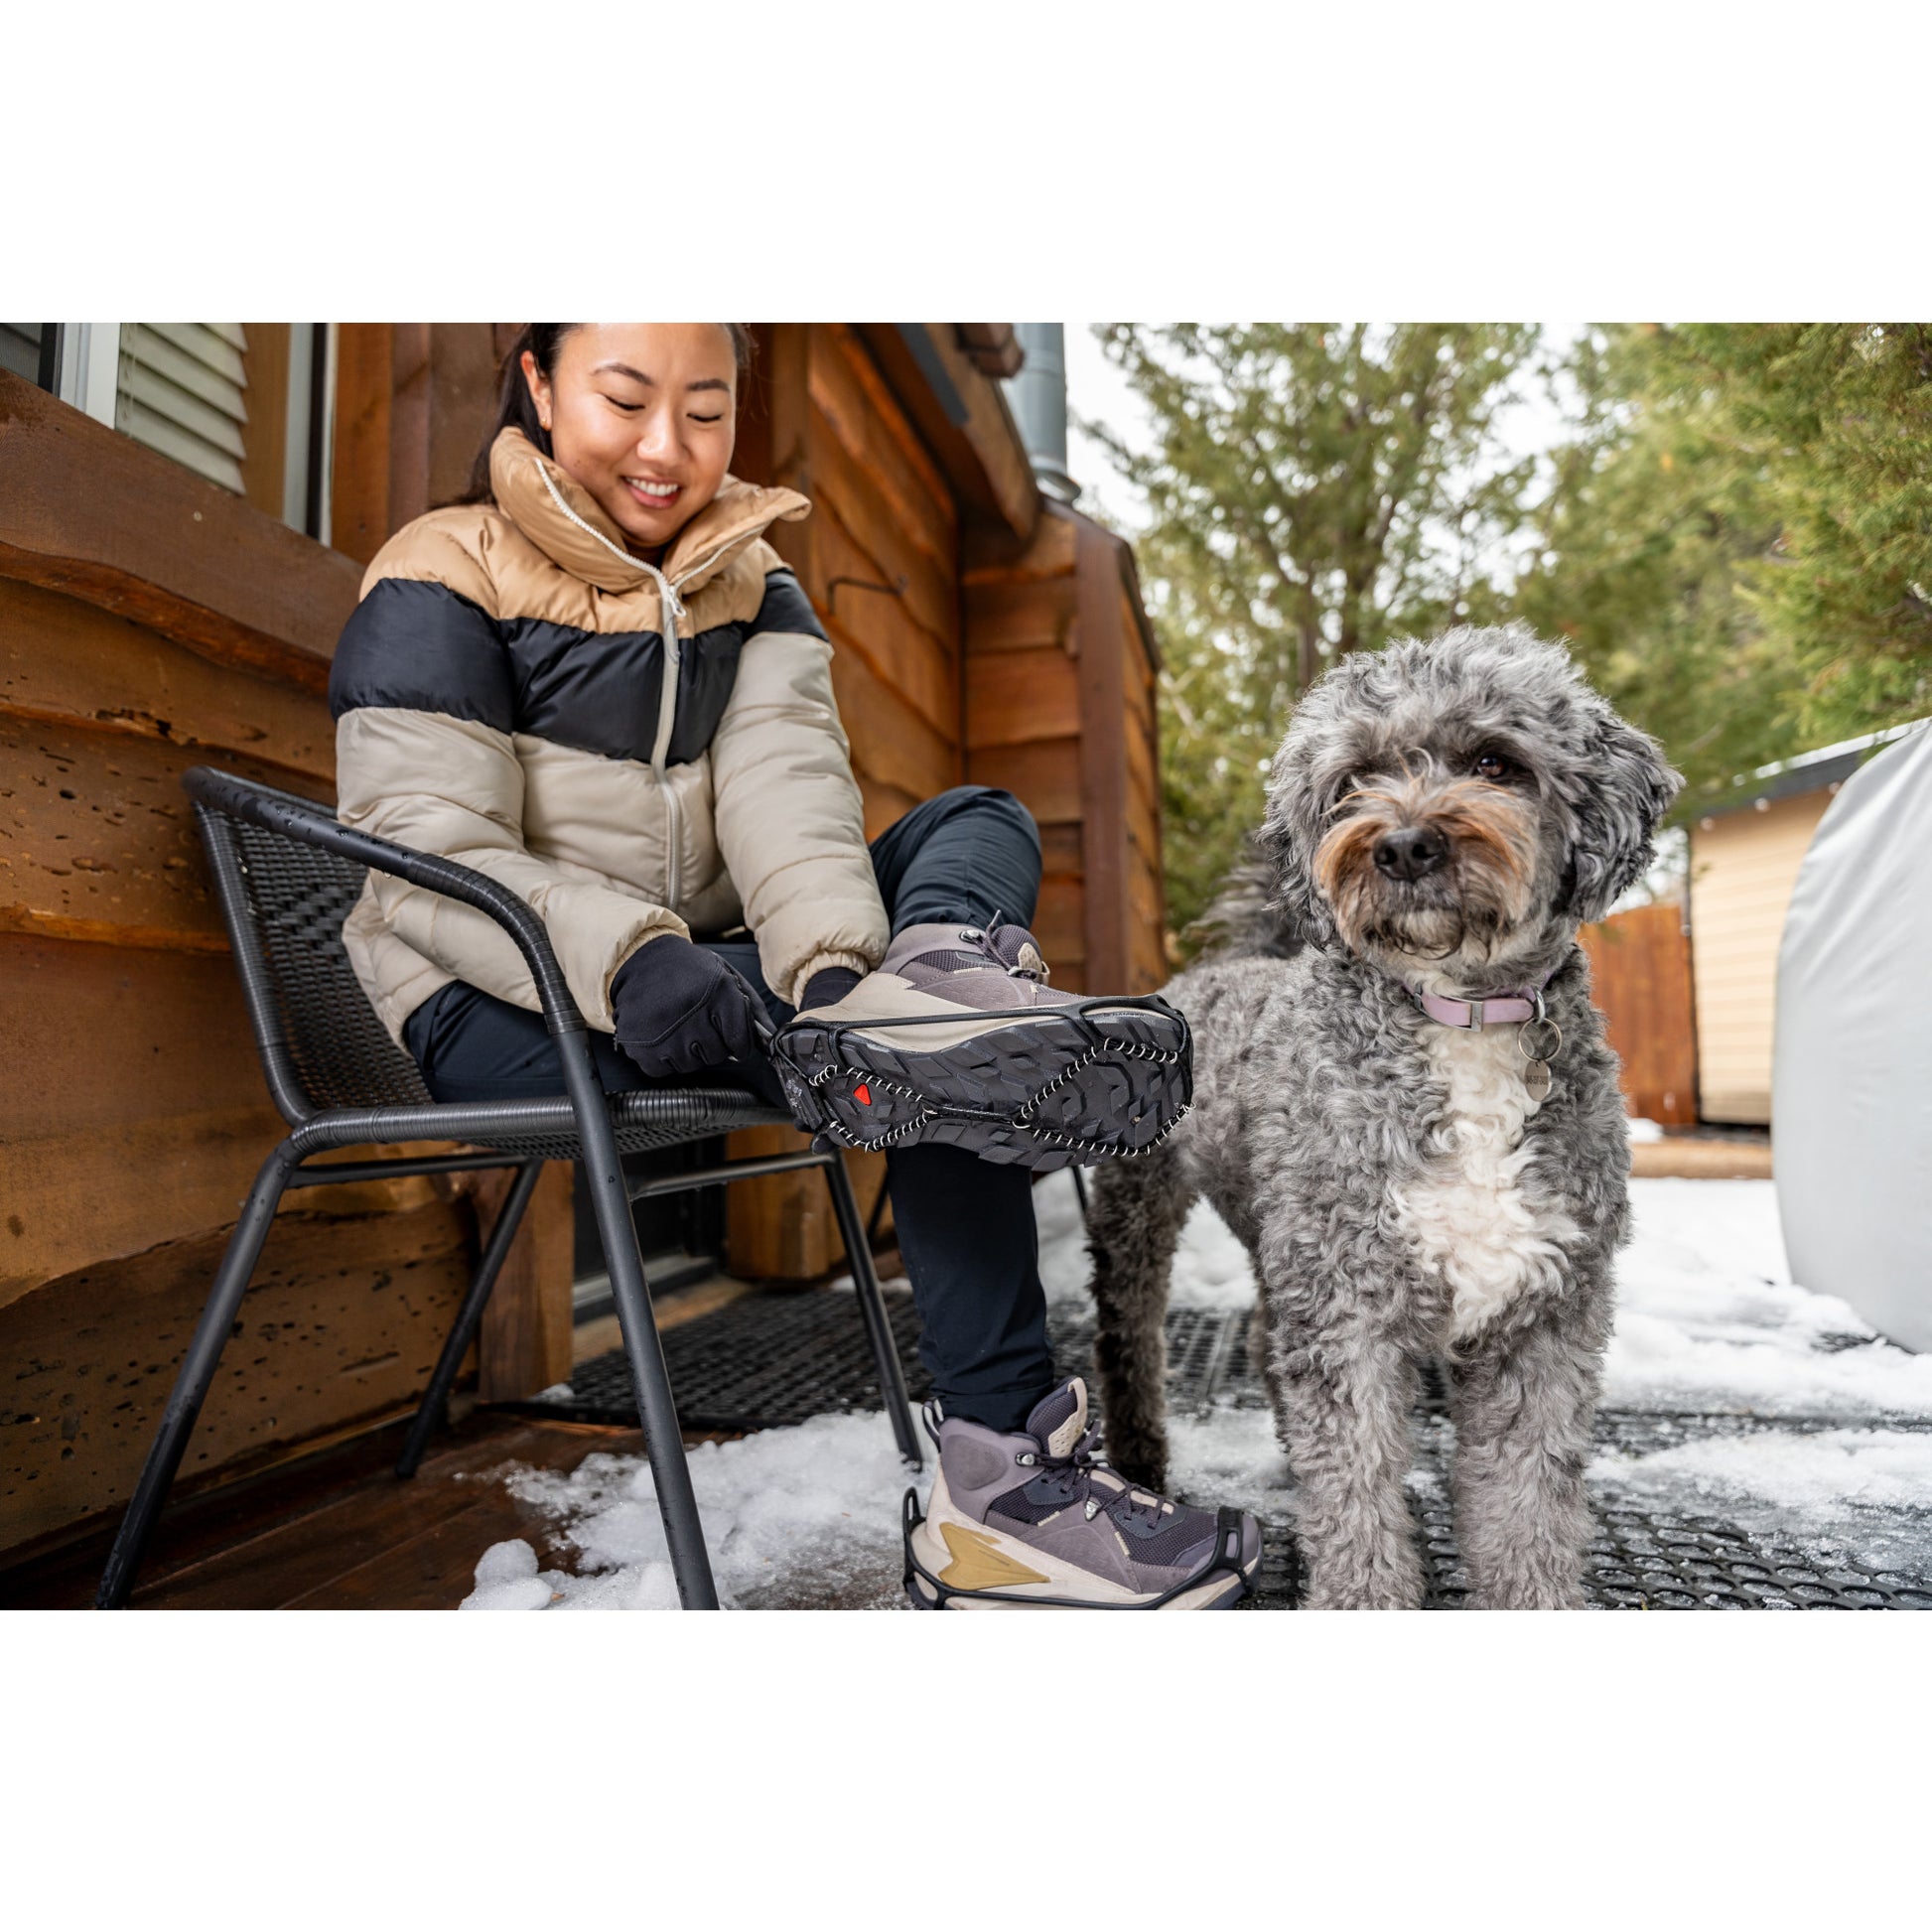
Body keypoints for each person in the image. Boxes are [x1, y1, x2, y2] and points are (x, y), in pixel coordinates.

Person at [329, 323, 1260, 1608]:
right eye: (625, 398)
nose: (668, 448)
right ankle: (1000, 1494)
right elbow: (421, 846)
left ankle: (928, 1001)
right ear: (539, 382)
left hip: (724, 968)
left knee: (968, 836)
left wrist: (834, 978)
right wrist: (630, 957)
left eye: (706, 410)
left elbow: (786, 792)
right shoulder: (445, 567)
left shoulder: (749, 578)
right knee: (933, 1052)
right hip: (500, 989)